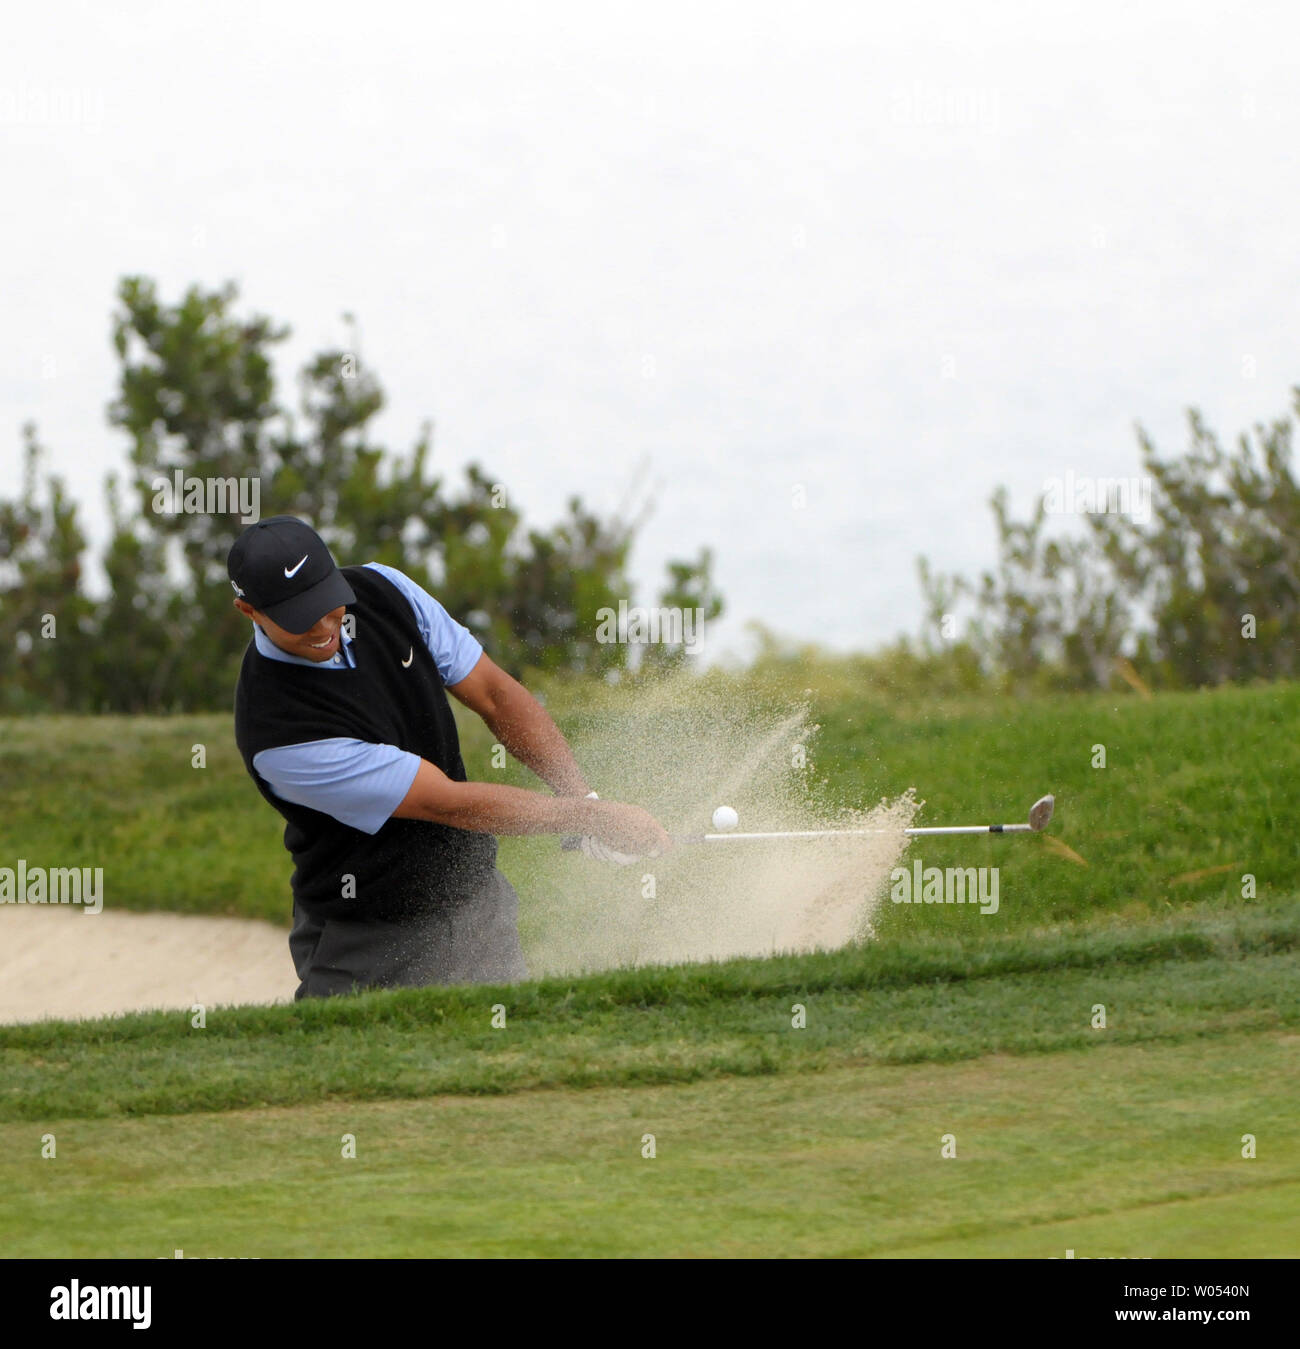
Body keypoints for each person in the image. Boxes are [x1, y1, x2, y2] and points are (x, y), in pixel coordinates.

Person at [228, 515, 670, 998]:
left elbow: (494, 693)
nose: (322, 624)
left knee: (508, 1058)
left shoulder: (385, 591)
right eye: (299, 616)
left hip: (477, 903)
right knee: (362, 1073)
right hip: (366, 936)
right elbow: (448, 803)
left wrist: (582, 798)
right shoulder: (279, 732)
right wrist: (590, 818)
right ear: (249, 610)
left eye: (326, 603)